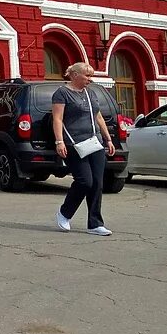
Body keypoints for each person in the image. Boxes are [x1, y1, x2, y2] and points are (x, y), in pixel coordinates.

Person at [52, 63, 116, 236]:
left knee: (97, 183)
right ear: (74, 75)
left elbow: (98, 116)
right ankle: (65, 213)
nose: (90, 79)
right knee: (84, 181)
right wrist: (59, 141)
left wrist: (108, 138)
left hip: (95, 142)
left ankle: (95, 223)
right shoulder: (62, 93)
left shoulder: (91, 93)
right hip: (74, 144)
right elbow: (57, 119)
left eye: (91, 75)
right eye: (87, 75)